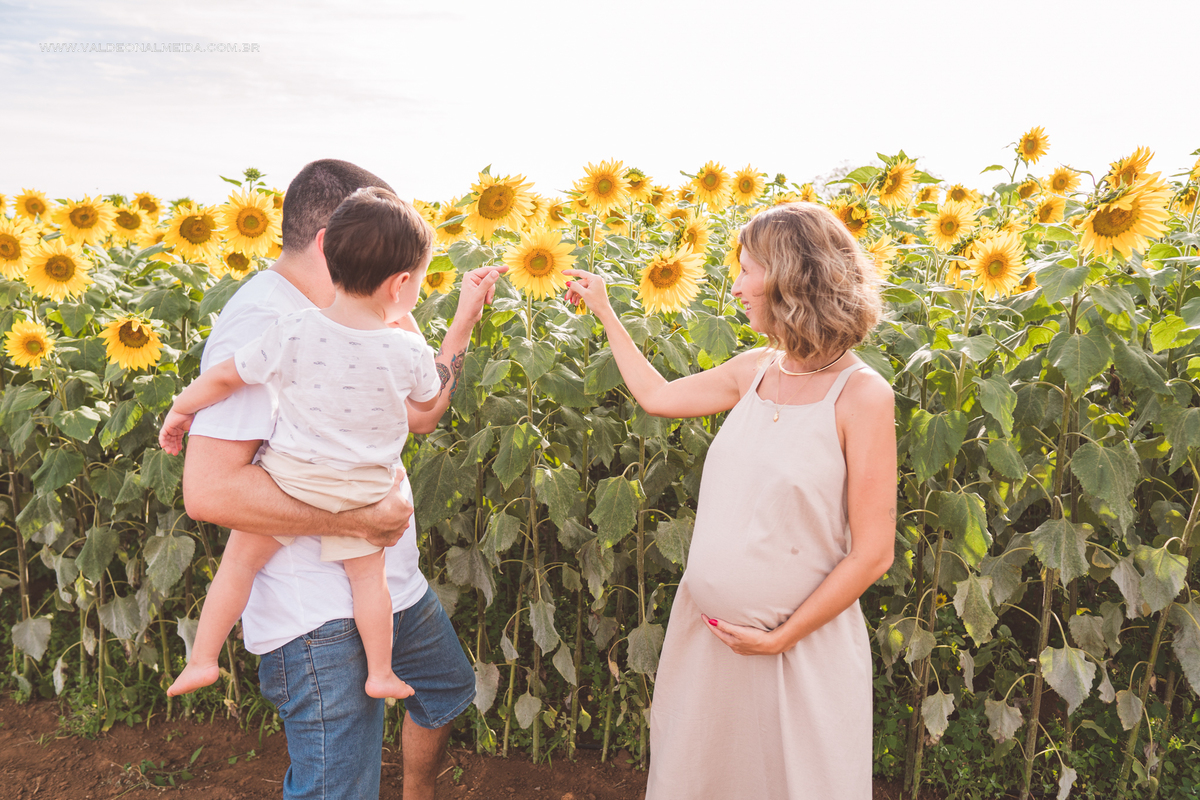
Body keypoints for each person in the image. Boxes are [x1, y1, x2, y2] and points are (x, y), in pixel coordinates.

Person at [181, 159, 504, 800]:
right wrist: (361, 520)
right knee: (339, 789)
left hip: (386, 581)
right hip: (318, 615)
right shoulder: (268, 323)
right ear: (335, 242)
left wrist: (453, 320)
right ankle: (202, 659)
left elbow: (422, 414)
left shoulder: (353, 305)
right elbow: (209, 492)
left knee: (444, 690)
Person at [563, 201, 896, 799]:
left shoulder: (862, 395)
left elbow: (872, 553)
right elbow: (658, 397)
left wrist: (782, 637)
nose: (737, 286)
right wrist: (605, 310)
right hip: (709, 641)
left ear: (794, 278)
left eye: (748, 270)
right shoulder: (756, 369)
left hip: (799, 654)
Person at [160, 187, 443, 703]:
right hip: (365, 490)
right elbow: (427, 405)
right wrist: (405, 324)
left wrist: (182, 409)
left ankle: (202, 659)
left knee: (239, 563)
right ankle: (380, 672)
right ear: (402, 283)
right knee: (369, 583)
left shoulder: (291, 328)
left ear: (326, 258)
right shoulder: (406, 350)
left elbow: (226, 377)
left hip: (295, 477)